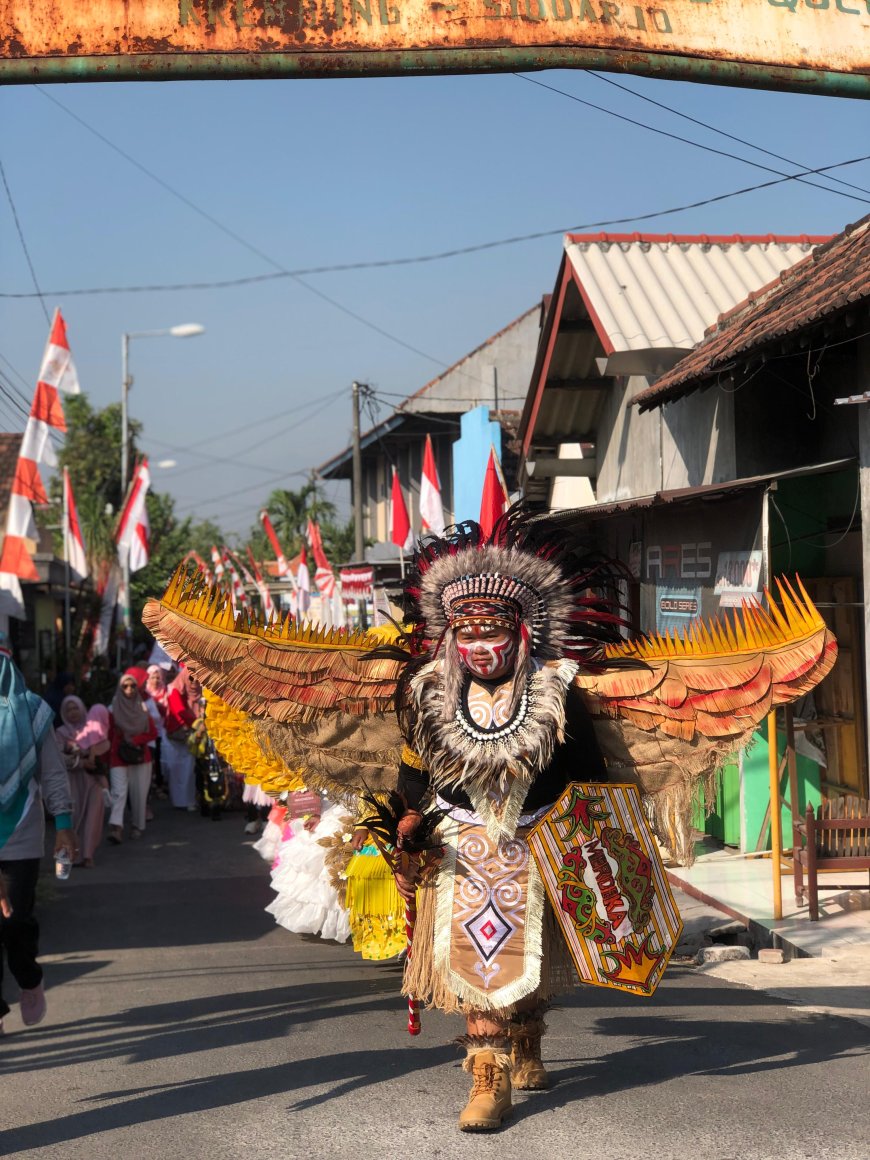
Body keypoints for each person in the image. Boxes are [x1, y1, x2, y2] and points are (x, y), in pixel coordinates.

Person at [0, 634, 74, 1034]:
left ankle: (28, 977)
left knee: (15, 924)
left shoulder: (33, 712)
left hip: (20, 833)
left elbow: (53, 774)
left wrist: (63, 825)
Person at [55, 695, 109, 868]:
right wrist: (78, 762)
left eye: (75, 708)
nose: (72, 713)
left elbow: (105, 746)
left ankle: (88, 855)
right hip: (72, 781)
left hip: (93, 779)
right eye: (68, 709)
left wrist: (94, 755)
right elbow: (57, 757)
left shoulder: (93, 728)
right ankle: (73, 855)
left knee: (93, 816)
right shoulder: (60, 733)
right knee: (74, 816)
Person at [107, 671, 157, 844]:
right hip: (118, 756)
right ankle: (116, 827)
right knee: (119, 792)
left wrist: (135, 740)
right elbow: (108, 734)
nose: (129, 689)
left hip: (139, 756)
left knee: (139, 794)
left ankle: (138, 826)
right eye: (125, 686)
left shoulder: (141, 707)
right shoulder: (113, 709)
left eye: (133, 685)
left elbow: (152, 732)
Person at [163, 667, 203, 812]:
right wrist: (198, 723)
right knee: (181, 769)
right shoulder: (175, 689)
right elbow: (179, 710)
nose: (195, 682)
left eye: (199, 678)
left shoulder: (201, 691)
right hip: (181, 735)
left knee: (189, 769)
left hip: (195, 734)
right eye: (191, 678)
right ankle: (182, 801)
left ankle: (189, 799)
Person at [143, 665, 169, 799]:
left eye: (158, 677)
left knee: (158, 758)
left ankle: (159, 785)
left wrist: (160, 707)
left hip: (161, 730)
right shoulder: (145, 693)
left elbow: (167, 710)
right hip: (147, 730)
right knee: (149, 759)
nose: (155, 680)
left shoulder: (165, 690)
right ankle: (150, 786)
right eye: (153, 677)